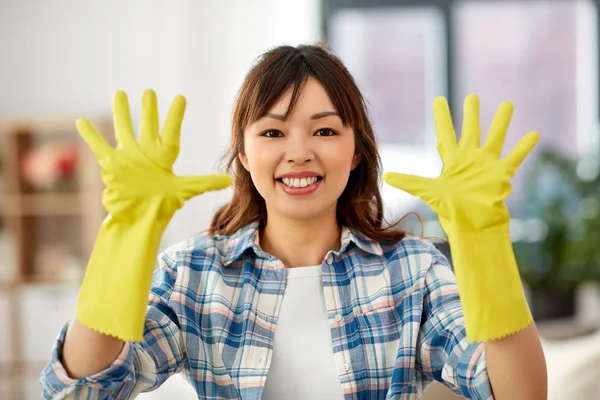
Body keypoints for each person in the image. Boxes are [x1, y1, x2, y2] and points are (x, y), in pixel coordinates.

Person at [40, 44, 547, 399]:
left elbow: (516, 394)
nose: (300, 153)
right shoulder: (195, 273)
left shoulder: (412, 271)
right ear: (243, 152)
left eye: (325, 130)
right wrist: (123, 234)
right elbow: (80, 391)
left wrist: (484, 241)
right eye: (273, 132)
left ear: (354, 152)